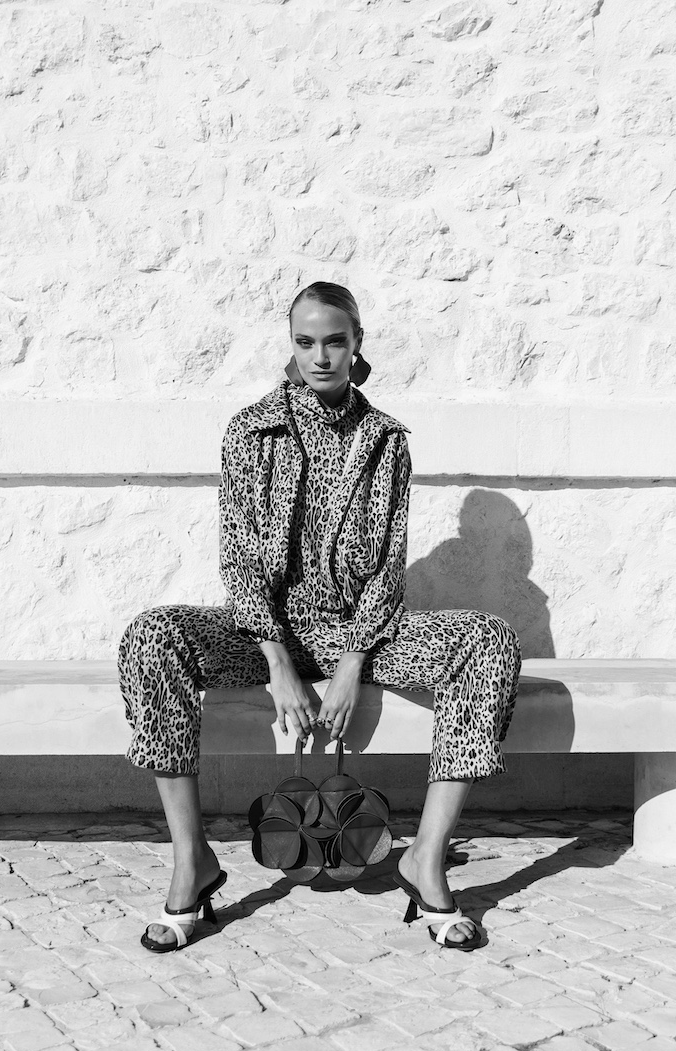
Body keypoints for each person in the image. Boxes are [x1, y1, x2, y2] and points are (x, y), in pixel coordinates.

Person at [118, 281, 521, 953]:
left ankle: (425, 858)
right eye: (305, 342)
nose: (321, 356)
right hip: (264, 633)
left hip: (358, 634)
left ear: (358, 345)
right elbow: (240, 558)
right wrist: (277, 662)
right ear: (291, 346)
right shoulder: (252, 431)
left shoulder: (385, 441)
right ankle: (193, 860)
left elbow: (387, 568)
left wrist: (352, 663)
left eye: (335, 341)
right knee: (152, 636)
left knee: (488, 640)